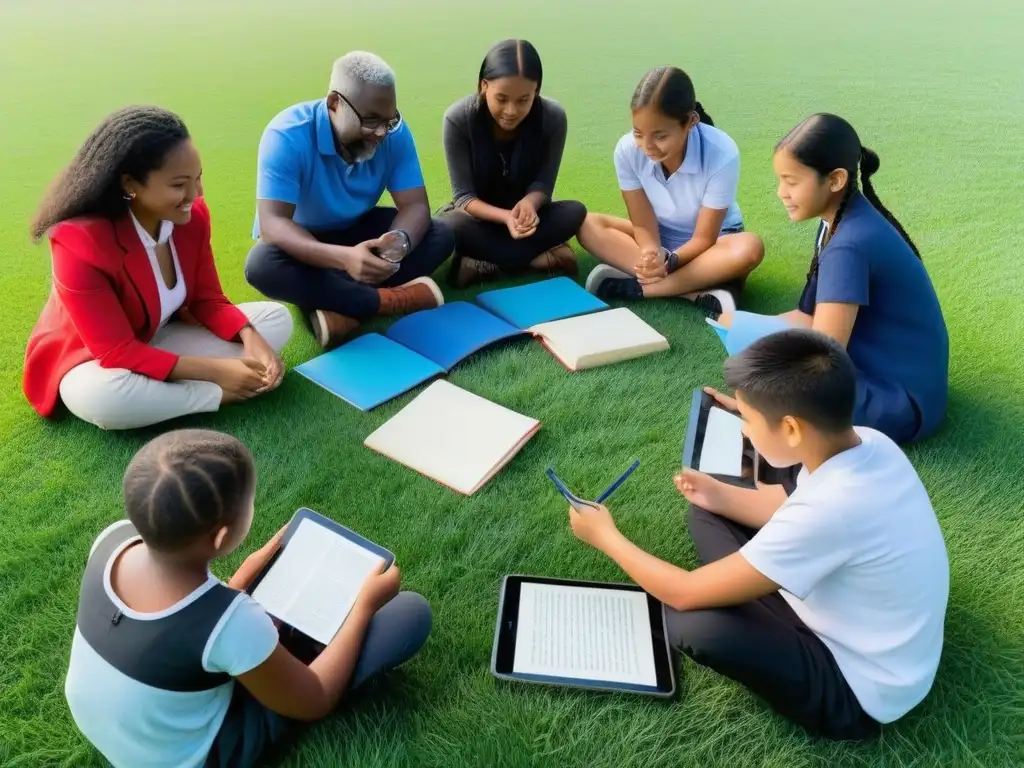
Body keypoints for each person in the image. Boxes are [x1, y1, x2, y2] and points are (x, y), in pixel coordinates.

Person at [566, 330, 949, 740]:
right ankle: (740, 580)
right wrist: (720, 495)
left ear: (791, 428)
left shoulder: (830, 509)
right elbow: (791, 511)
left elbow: (684, 593)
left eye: (746, 421)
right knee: (706, 515)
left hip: (857, 691)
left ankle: (737, 589)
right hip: (863, 626)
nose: (745, 432)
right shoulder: (870, 442)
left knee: (694, 624)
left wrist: (605, 535)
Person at [64, 429, 432, 768]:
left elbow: (179, 616)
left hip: (124, 731)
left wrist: (244, 575)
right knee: (410, 615)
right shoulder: (229, 621)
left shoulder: (114, 539)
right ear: (221, 536)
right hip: (189, 756)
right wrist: (364, 605)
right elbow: (314, 700)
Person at [23, 106, 293, 431]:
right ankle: (215, 395)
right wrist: (216, 374)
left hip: (159, 335)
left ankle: (176, 385)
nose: (196, 195)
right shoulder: (78, 243)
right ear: (130, 185)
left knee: (276, 320)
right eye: (179, 185)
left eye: (198, 178)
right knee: (107, 399)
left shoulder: (192, 218)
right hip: (94, 360)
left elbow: (209, 300)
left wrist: (250, 336)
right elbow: (115, 350)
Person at [716, 114, 949, 444]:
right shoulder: (839, 220)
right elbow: (808, 317)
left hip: (899, 403)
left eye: (792, 182)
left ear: (836, 179)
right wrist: (743, 328)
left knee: (758, 379)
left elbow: (824, 358)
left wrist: (757, 393)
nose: (781, 192)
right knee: (738, 334)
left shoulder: (849, 245)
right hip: (894, 379)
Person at [244, 51, 455, 350]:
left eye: (389, 120)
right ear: (334, 104)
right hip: (305, 239)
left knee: (440, 233)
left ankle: (335, 304)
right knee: (261, 265)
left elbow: (415, 206)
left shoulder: (395, 134)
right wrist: (345, 259)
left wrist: (398, 244)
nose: (381, 132)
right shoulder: (287, 134)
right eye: (370, 121)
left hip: (360, 229)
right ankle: (388, 301)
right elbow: (273, 223)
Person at [579, 67, 764, 316]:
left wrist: (669, 263)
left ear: (690, 122)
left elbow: (704, 238)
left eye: (660, 136)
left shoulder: (721, 151)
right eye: (638, 133)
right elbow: (643, 223)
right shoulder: (626, 150)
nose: (647, 146)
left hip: (715, 243)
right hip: (661, 236)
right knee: (587, 223)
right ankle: (695, 290)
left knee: (750, 248)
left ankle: (640, 288)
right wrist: (650, 254)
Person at [438, 39, 586, 288]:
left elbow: (544, 184)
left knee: (575, 211)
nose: (511, 110)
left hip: (528, 221)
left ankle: (484, 264)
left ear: (536, 91)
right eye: (502, 98)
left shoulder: (553, 117)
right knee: (446, 225)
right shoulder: (458, 119)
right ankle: (537, 260)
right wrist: (506, 217)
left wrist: (529, 203)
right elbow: (463, 198)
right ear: (484, 86)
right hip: (480, 220)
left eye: (523, 100)